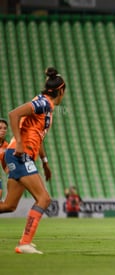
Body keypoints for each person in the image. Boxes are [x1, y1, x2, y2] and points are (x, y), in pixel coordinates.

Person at [0, 67, 66, 254]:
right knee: (44, 198)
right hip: (20, 154)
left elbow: (38, 137)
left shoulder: (46, 106)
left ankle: (25, 242)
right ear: (61, 91)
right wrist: (20, 142)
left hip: (19, 154)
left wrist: (44, 162)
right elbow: (14, 114)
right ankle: (24, 242)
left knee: (9, 205)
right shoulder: (44, 104)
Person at [0, 118, 9, 199]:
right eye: (0, 128)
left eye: (5, 128)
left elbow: (5, 165)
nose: (3, 130)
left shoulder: (6, 145)